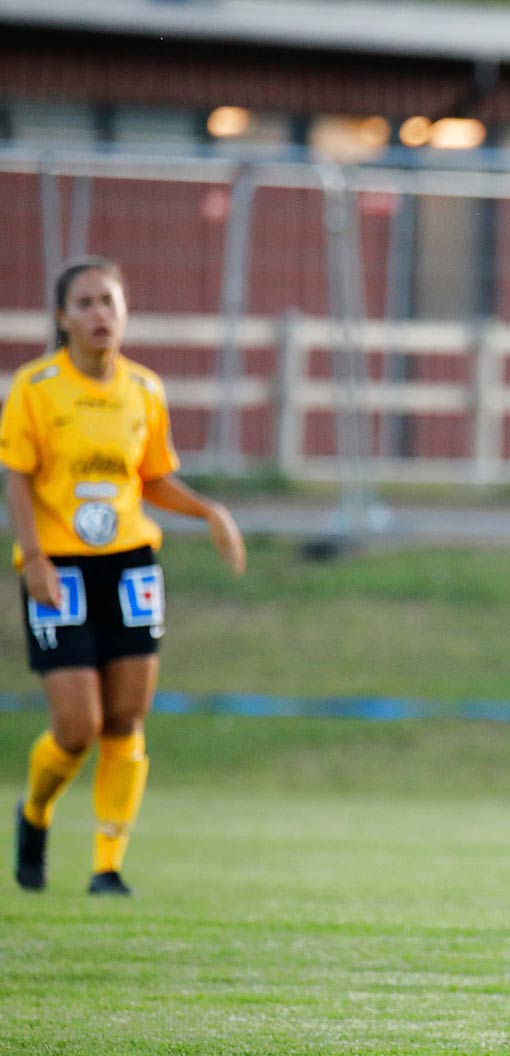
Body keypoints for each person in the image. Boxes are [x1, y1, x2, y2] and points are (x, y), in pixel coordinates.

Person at [5, 256, 246, 897]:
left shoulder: (144, 390)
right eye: (84, 303)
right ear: (62, 317)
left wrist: (209, 511)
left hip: (131, 565)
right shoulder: (35, 388)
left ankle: (107, 866)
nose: (98, 314)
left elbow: (152, 478)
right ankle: (34, 812)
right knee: (77, 726)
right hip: (62, 569)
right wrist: (34, 558)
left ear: (126, 311)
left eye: (108, 301)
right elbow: (19, 477)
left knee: (126, 718)